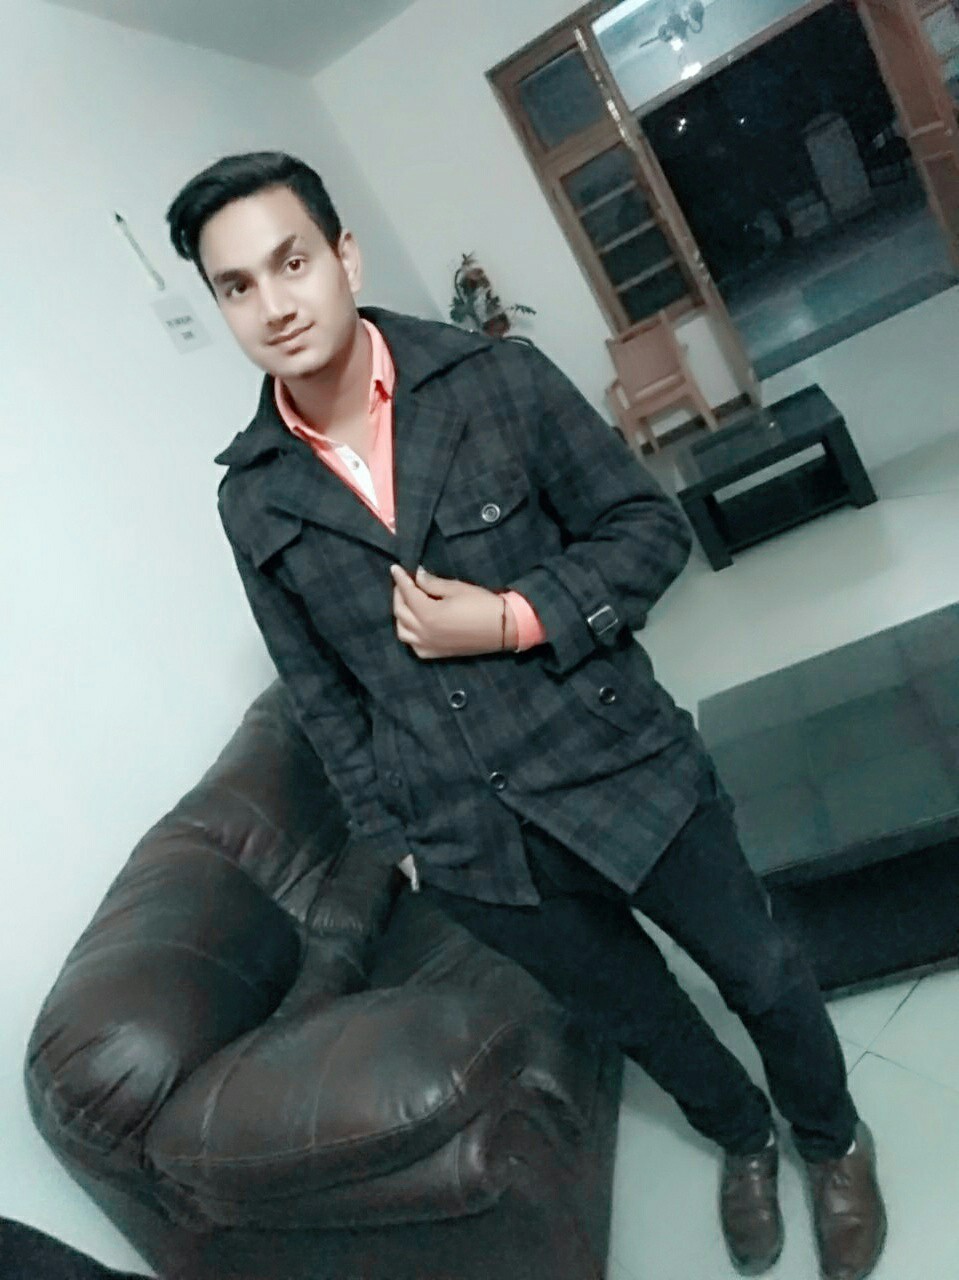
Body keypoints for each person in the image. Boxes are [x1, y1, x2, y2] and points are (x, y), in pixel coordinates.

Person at [166, 151, 886, 1279]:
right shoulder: (251, 495)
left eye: (291, 262)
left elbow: (648, 532)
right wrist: (400, 842)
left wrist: (510, 618)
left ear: (345, 256)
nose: (274, 304)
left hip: (617, 760)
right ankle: (741, 1136)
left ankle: (830, 1138)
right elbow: (318, 690)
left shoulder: (495, 379)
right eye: (237, 286)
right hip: (470, 841)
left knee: (760, 969)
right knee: (641, 1016)